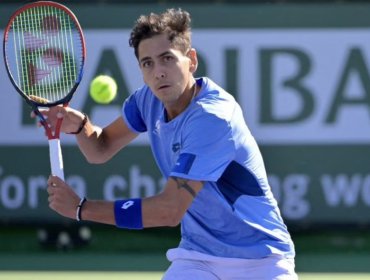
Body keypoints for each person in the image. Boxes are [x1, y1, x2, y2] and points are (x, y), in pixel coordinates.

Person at [39, 8, 297, 279]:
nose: (158, 72)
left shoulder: (213, 119)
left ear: (191, 60)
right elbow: (99, 149)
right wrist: (80, 126)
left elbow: (169, 211)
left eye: (167, 59)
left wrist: (82, 209)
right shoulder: (147, 101)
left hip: (261, 259)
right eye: (147, 63)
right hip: (199, 258)